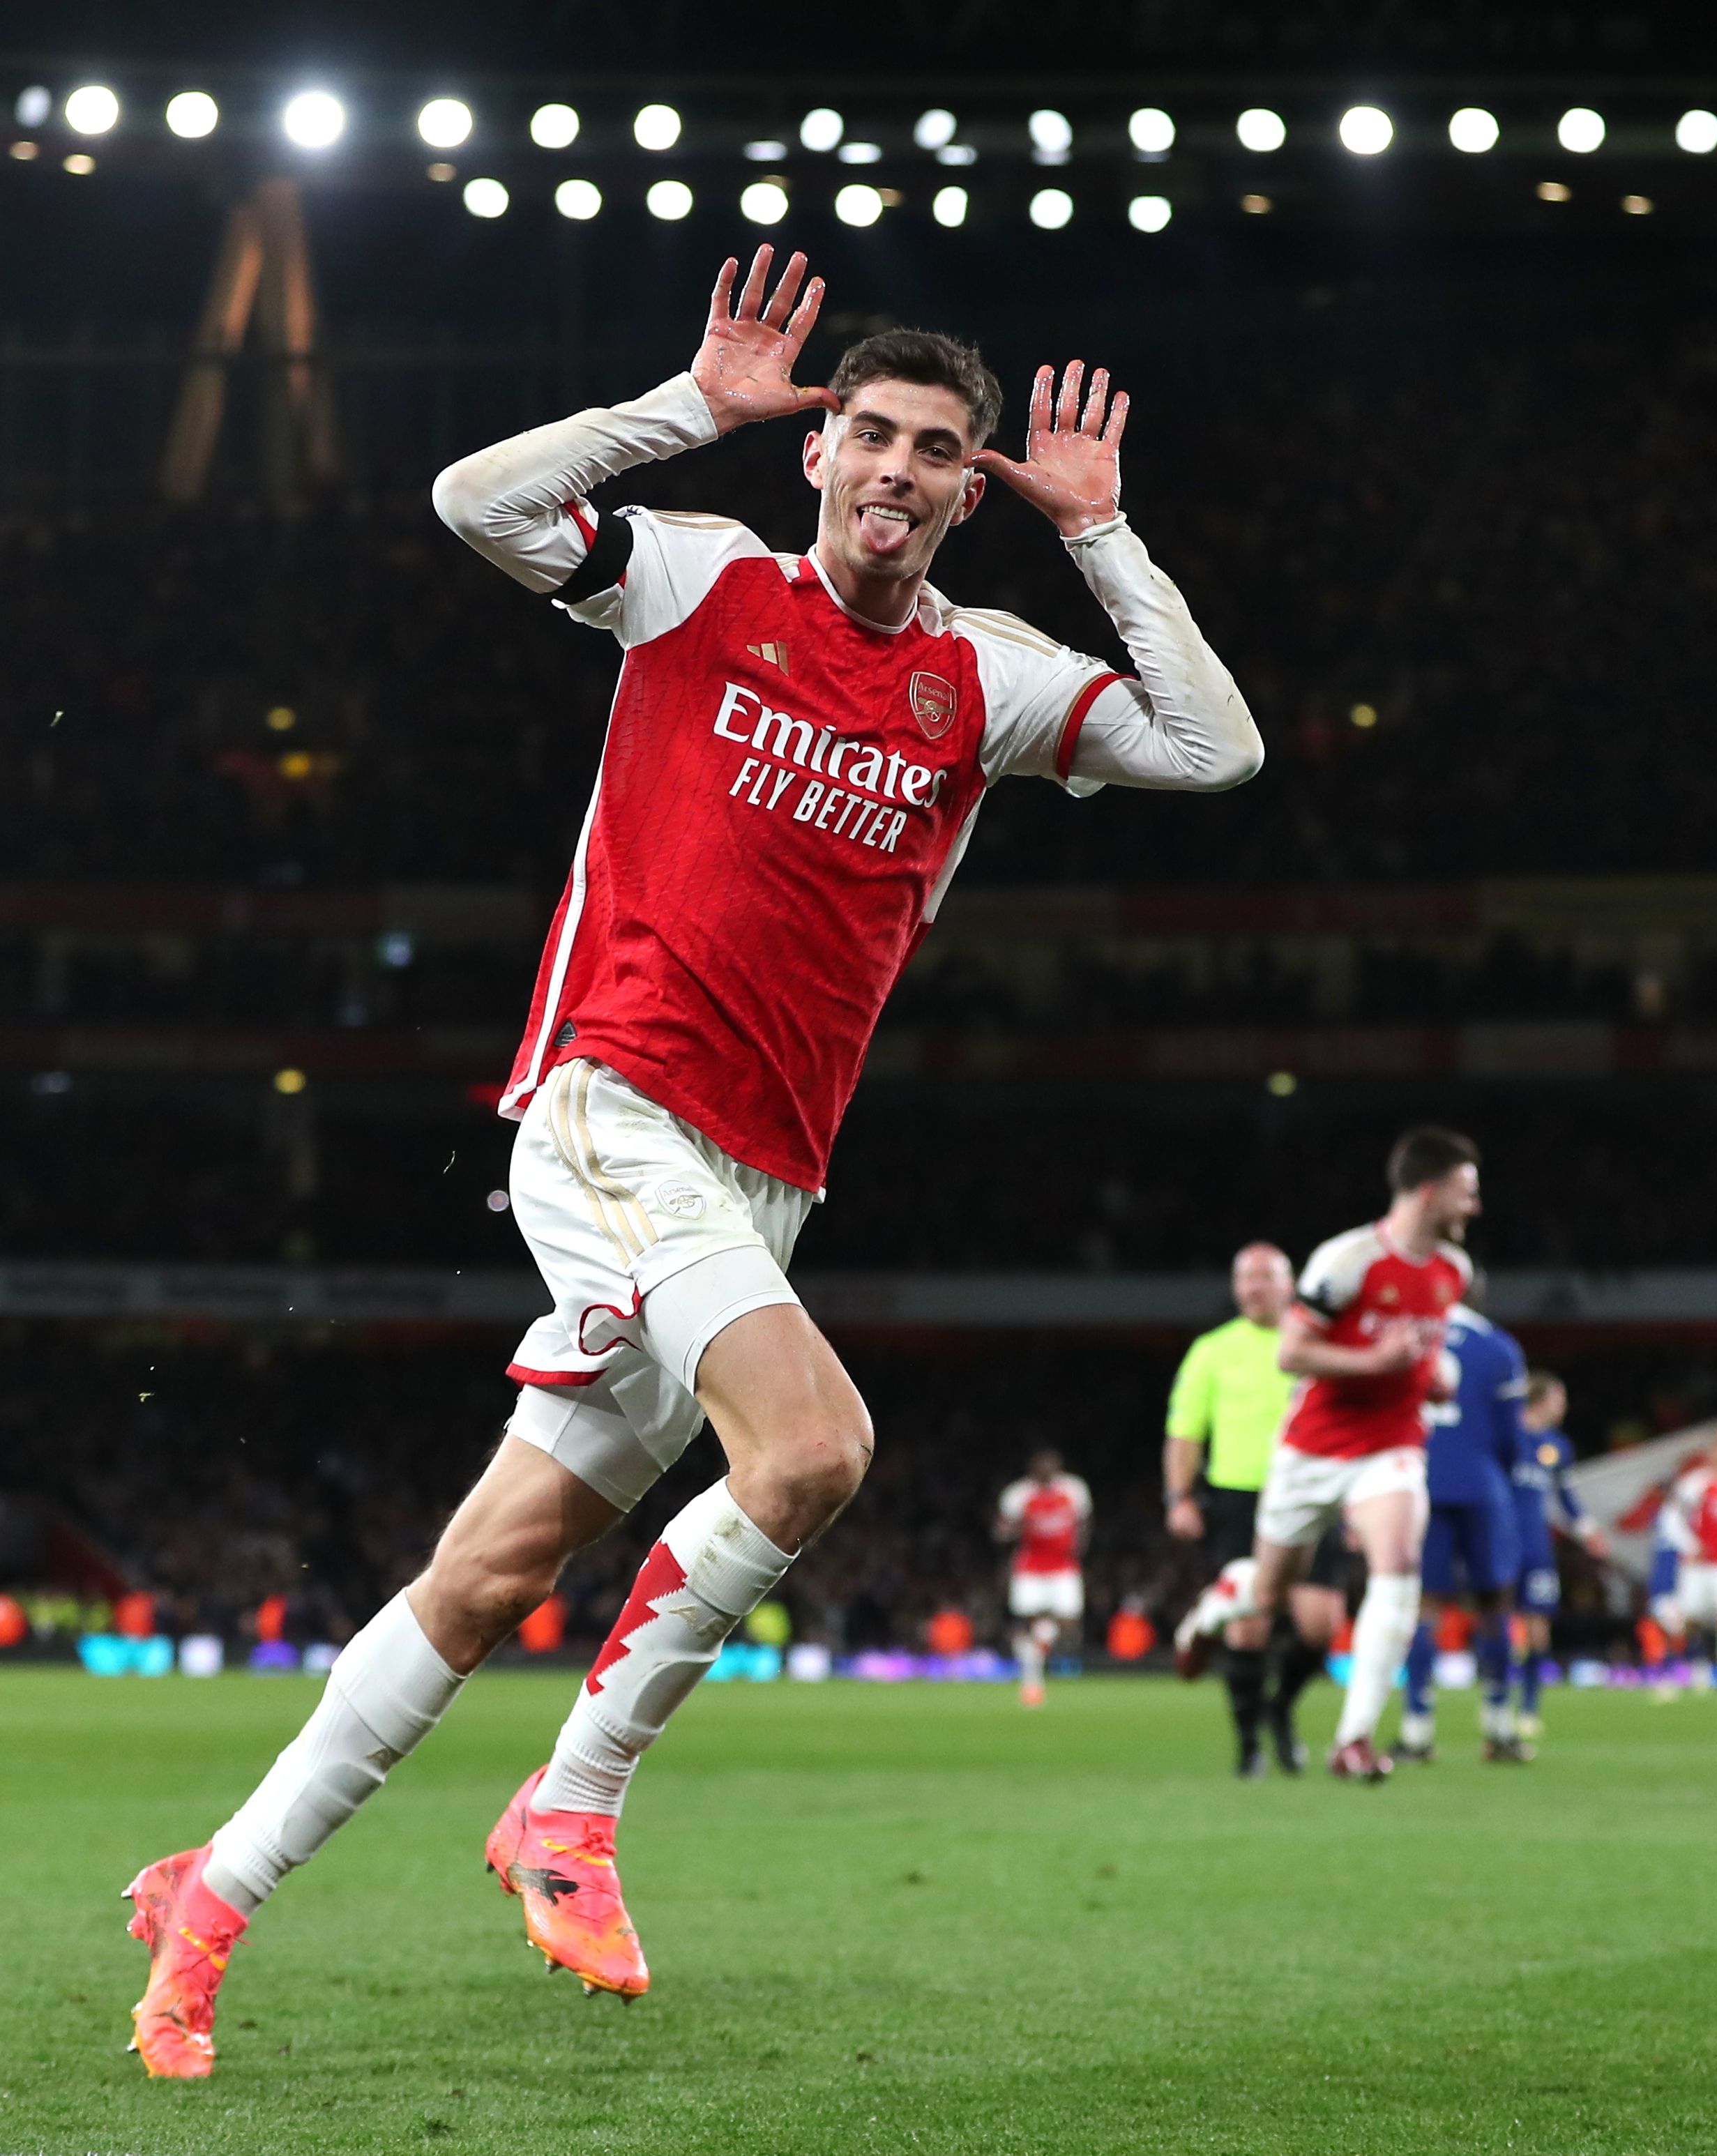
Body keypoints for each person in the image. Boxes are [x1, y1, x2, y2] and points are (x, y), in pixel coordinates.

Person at [121, 245, 1263, 2077]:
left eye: (934, 449)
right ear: (818, 457)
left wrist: (1102, 535)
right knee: (811, 1448)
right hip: (612, 1107)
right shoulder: (691, 577)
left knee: (487, 1570)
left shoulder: (986, 680)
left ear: (973, 484)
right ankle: (567, 1805)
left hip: (761, 1180)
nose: (893, 466)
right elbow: (470, 500)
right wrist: (688, 411)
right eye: (866, 432)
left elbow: (1214, 746)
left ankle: (215, 1892)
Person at [1174, 1127, 1478, 1782]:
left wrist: (1433, 1375)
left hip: (1391, 1448)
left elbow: (1421, 1352)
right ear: (1429, 1191)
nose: (1474, 1206)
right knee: (1264, 1592)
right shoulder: (1347, 1261)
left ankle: (1354, 1740)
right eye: (1466, 1191)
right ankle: (1209, 1612)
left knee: (1396, 1565)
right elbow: (1292, 1353)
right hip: (1311, 1452)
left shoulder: (1454, 1272)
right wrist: (1375, 1361)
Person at [1164, 1243, 1345, 1775]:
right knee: (1249, 1626)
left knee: (1320, 1627)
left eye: (1265, 1277)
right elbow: (1183, 1433)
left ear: (1290, 1285)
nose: (1252, 1288)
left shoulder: (1318, 1343)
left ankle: (1279, 1710)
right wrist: (1178, 1497)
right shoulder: (1212, 1350)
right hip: (1240, 1498)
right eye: (1244, 1278)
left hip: (1314, 1490)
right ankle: (1248, 1746)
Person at [1395, 1300, 1529, 1766]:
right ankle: (1498, 1727)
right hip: (1480, 1484)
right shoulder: (1496, 1345)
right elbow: (1512, 1437)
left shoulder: (1400, 1335)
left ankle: (1416, 1732)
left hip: (1417, 1480)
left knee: (1422, 1607)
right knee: (1495, 1603)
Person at [1508, 1369, 1607, 1738]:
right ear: (1541, 1399)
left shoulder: (1557, 1446)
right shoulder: (1506, 1437)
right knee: (1498, 1621)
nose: (1563, 1406)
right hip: (1500, 1540)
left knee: (1538, 1630)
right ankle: (1497, 1702)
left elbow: (1566, 1498)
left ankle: (1530, 1707)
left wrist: (1588, 1531)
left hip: (1536, 1547)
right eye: (1559, 1399)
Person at [1656, 1431, 1717, 1708]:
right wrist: (1690, 1545)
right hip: (1698, 1568)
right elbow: (1670, 1518)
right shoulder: (1694, 1484)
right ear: (1711, 1451)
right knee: (1688, 1624)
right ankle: (1668, 1673)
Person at [995, 1448, 1093, 1706]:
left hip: (1064, 1567)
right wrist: (1011, 1529)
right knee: (1030, 1622)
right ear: (1034, 1470)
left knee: (1068, 1623)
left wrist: (1081, 1542)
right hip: (1030, 1568)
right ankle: (1033, 1683)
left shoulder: (1074, 1490)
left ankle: (1036, 1646)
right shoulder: (1019, 1495)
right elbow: (1002, 1530)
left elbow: (1084, 1520)